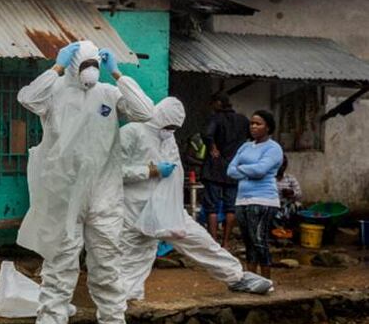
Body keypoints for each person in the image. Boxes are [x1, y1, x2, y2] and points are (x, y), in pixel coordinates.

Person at [16, 40, 154, 324]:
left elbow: (145, 112)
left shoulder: (108, 93)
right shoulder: (54, 92)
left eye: (94, 62)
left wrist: (118, 73)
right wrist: (58, 67)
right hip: (64, 195)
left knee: (107, 263)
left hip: (104, 193)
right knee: (60, 266)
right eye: (85, 62)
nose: (89, 68)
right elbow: (28, 98)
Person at [118, 97, 273, 301]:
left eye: (174, 127)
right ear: (159, 117)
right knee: (135, 257)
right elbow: (112, 171)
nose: (170, 130)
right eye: (168, 125)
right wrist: (149, 171)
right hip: (136, 210)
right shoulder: (132, 132)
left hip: (167, 207)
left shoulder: (168, 137)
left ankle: (236, 277)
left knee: (200, 241)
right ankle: (125, 301)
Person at [228, 110, 284, 280]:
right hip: (242, 199)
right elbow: (230, 171)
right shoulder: (245, 146)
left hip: (263, 200)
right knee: (248, 243)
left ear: (268, 127)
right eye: (252, 123)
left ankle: (266, 280)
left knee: (259, 241)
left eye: (258, 124)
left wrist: (241, 170)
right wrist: (248, 171)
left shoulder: (274, 148)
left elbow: (261, 171)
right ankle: (252, 279)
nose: (253, 126)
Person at [201, 92, 251, 248]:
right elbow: (251, 137)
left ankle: (213, 243)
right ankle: (226, 242)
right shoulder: (243, 120)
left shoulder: (215, 118)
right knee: (231, 207)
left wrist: (212, 147)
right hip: (235, 168)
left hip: (215, 168)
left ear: (217, 103)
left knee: (212, 207)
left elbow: (207, 134)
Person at [275, 155, 303, 229]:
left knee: (295, 206)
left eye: (284, 165)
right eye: (280, 165)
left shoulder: (290, 178)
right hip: (273, 204)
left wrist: (292, 193)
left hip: (287, 205)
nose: (282, 167)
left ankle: (290, 229)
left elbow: (300, 195)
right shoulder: (270, 179)